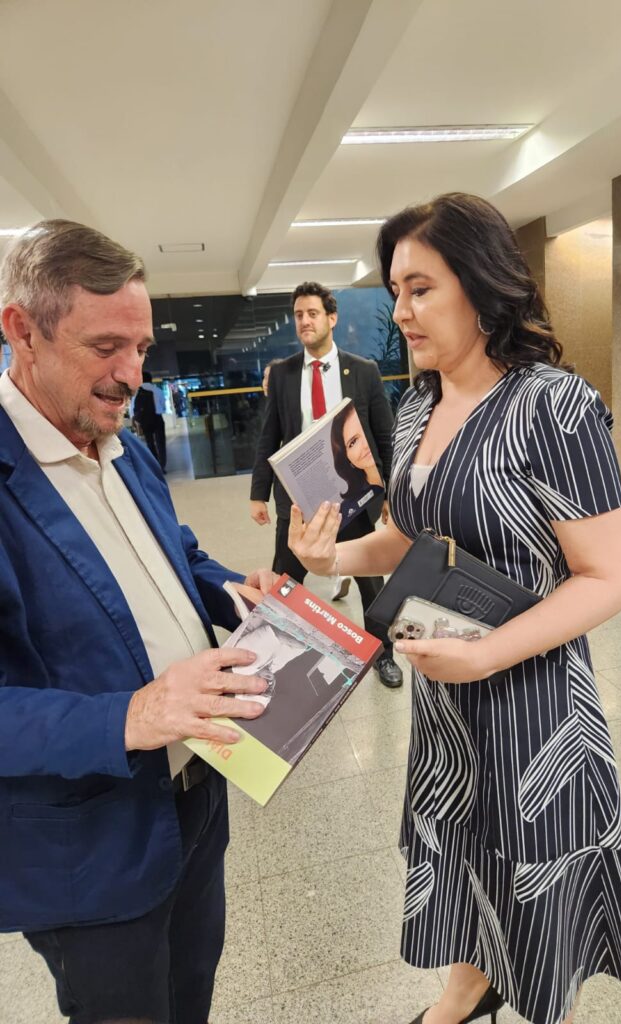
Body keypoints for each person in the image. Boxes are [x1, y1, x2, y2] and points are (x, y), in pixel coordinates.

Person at [275, 194, 621, 1024]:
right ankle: (467, 986)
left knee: (527, 863)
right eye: (396, 292)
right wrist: (331, 557)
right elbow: (407, 534)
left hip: (532, 700)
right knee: (457, 847)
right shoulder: (418, 404)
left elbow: (608, 576)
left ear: (480, 287)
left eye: (421, 288)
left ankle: (501, 995)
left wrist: (489, 655)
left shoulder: (554, 407)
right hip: (445, 691)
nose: (402, 311)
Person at [0, 219, 274, 1024]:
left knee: (191, 995)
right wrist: (133, 713)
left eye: (144, 348)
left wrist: (234, 594)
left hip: (195, 800)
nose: (132, 375)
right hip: (93, 847)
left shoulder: (118, 437)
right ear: (22, 330)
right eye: (104, 347)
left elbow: (177, 555)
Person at [249, 281, 403, 688]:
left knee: (371, 577)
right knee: (287, 578)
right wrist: (257, 493)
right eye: (299, 314)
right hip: (299, 499)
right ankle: (277, 658)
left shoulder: (363, 371)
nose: (305, 321)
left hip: (351, 493)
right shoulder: (282, 375)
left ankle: (382, 652)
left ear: (331, 318)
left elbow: (384, 436)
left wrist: (387, 493)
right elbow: (270, 436)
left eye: (312, 313)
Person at [329, 401, 385, 525]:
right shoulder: (348, 508)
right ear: (346, 457)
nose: (365, 444)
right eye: (353, 442)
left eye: (365, 430)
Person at [132, 367, 167, 469]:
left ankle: (154, 465)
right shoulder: (158, 390)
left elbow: (134, 408)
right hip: (157, 418)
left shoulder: (137, 393)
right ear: (151, 379)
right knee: (161, 442)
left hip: (145, 420)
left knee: (150, 443)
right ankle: (162, 465)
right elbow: (163, 406)